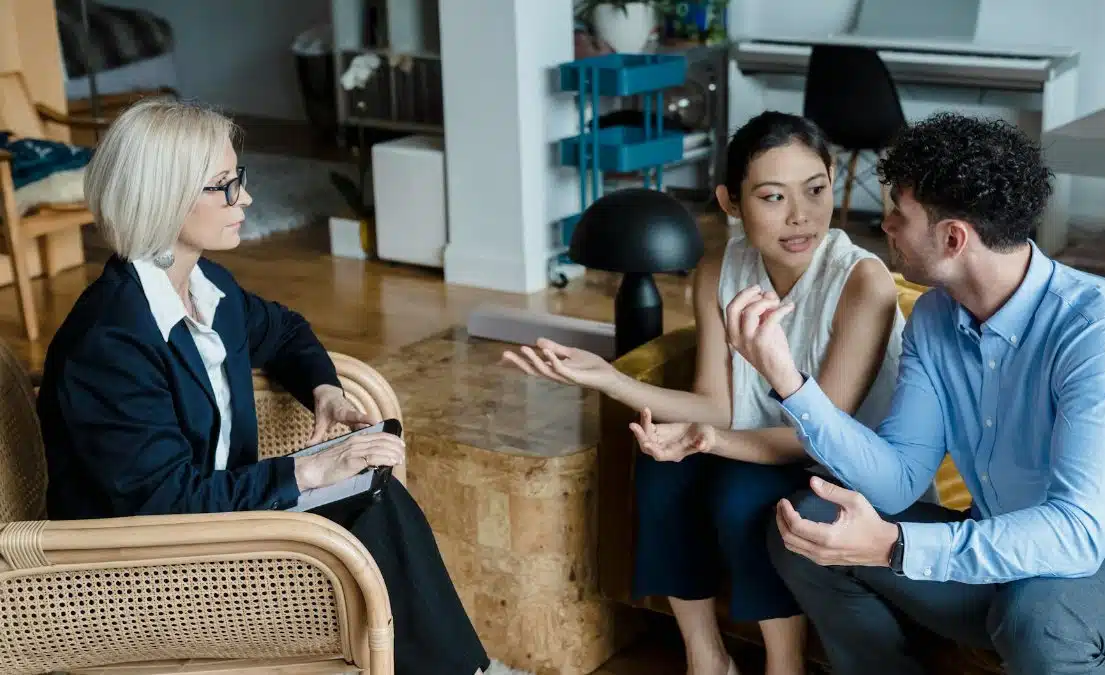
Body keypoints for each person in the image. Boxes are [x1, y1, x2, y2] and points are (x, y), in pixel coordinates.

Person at [717, 111, 1105, 675]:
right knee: (809, 523)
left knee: (1041, 611)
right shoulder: (934, 316)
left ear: (952, 238)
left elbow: (1077, 538)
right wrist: (789, 382)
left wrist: (894, 546)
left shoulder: (1103, 333)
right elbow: (899, 477)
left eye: (899, 214)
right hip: (1003, 569)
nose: (887, 226)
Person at [36, 98, 490, 675]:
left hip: (213, 522)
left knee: (373, 493)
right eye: (223, 185)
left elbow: (285, 331)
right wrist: (310, 470)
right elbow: (161, 504)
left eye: (238, 180)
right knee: (364, 501)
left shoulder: (204, 288)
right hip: (137, 572)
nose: (244, 199)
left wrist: (324, 389)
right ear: (165, 197)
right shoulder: (110, 342)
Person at [502, 111, 909, 675]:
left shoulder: (862, 282)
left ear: (833, 178)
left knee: (741, 493)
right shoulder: (721, 268)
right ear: (730, 202)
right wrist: (609, 378)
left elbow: (821, 437)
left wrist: (707, 438)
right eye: (771, 197)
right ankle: (705, 657)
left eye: (816, 190)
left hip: (840, 461)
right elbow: (716, 403)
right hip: (754, 442)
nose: (801, 216)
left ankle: (782, 665)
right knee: (660, 467)